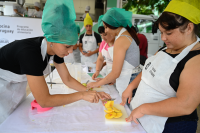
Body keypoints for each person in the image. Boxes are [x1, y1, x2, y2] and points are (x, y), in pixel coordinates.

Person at [0, 0, 110, 125]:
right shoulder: (29, 53)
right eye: (67, 46)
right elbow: (44, 100)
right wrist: (81, 95)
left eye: (71, 47)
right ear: (52, 39)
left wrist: (90, 92)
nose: (69, 52)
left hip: (15, 87)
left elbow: (67, 79)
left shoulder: (53, 49)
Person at [122, 0, 200, 132]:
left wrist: (144, 108)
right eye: (161, 32)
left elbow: (185, 105)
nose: (163, 38)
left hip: (172, 126)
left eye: (168, 33)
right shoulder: (165, 49)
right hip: (143, 117)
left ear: (189, 28)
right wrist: (131, 86)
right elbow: (149, 70)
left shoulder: (196, 60)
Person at [87, 8, 141, 98]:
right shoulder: (126, 36)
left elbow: (115, 72)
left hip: (129, 79)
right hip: (130, 77)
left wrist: (96, 84)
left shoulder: (121, 39)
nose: (106, 30)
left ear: (114, 25)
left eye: (106, 27)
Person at [92, 15, 115, 79]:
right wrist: (97, 71)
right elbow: (100, 58)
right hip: (108, 73)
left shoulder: (118, 43)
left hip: (118, 74)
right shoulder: (103, 43)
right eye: (101, 35)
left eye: (105, 34)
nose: (103, 38)